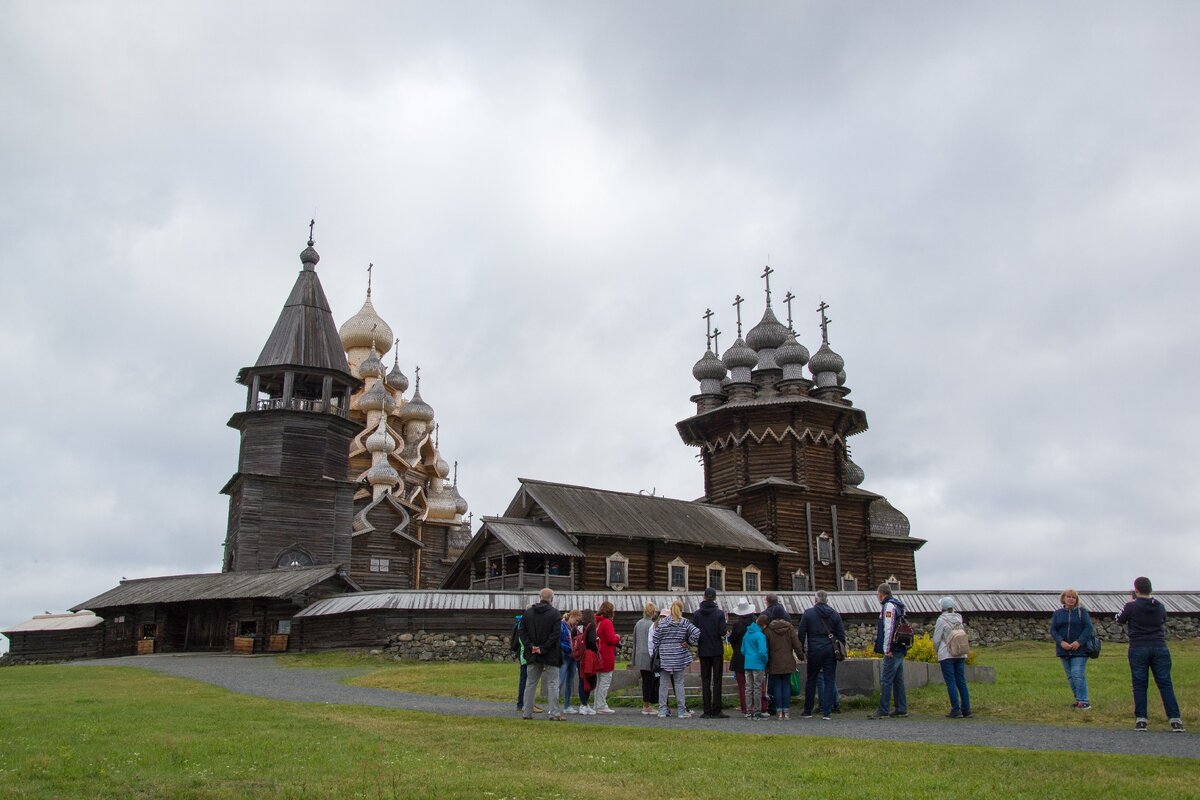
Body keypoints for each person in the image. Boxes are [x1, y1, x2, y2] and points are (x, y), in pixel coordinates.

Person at [1116, 577, 1185, 732]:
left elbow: (1118, 619)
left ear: (1136, 590)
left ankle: (1141, 719)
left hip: (1138, 647)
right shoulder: (1159, 606)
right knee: (1165, 683)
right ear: (1150, 589)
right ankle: (1175, 719)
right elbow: (1163, 620)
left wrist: (1129, 603)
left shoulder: (1131, 606)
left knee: (1140, 683)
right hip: (1159, 646)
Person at [797, 590, 846, 720]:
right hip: (830, 650)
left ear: (815, 600)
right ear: (827, 600)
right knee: (829, 679)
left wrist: (801, 651)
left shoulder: (808, 613)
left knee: (811, 679)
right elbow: (841, 635)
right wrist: (841, 650)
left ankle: (808, 710)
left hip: (814, 649)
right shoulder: (835, 614)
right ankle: (827, 712)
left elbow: (801, 633)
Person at [518, 588, 564, 720]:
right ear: (552, 599)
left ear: (540, 597)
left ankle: (527, 712)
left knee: (530, 683)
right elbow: (555, 635)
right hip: (550, 653)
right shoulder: (555, 614)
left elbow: (522, 632)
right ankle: (554, 713)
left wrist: (531, 646)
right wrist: (543, 648)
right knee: (553, 683)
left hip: (532, 653)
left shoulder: (528, 613)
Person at [649, 601, 700, 718]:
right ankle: (681, 711)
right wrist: (688, 642)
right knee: (679, 683)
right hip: (679, 655)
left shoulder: (663, 623)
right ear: (681, 609)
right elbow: (697, 632)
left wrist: (662, 646)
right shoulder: (685, 622)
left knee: (663, 683)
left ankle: (662, 710)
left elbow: (655, 639)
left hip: (665, 655)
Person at [869, 583, 909, 719]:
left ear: (881, 594)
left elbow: (889, 628)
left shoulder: (889, 606)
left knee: (886, 679)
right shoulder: (899, 605)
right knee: (898, 679)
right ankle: (901, 708)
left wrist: (887, 648)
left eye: (878, 594)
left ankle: (883, 709)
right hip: (900, 646)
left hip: (893, 648)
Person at [1050, 588, 1093, 711]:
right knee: (1070, 676)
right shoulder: (1057, 613)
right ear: (1063, 598)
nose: (1071, 599)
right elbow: (1053, 630)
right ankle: (1078, 700)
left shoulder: (1082, 612)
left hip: (1080, 649)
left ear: (1076, 599)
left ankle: (1084, 701)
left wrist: (1079, 642)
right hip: (1063, 649)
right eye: (1068, 596)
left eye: (1073, 597)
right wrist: (1061, 642)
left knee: (1077, 674)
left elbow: (1088, 628)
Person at [934, 596, 972, 719]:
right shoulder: (959, 618)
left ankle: (956, 710)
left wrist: (937, 651)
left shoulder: (941, 620)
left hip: (946, 654)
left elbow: (936, 639)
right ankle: (966, 709)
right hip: (960, 652)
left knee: (951, 682)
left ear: (942, 608)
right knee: (961, 680)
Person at [693, 587, 729, 718]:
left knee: (705, 679)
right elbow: (722, 632)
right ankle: (717, 709)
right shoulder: (719, 613)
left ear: (704, 597)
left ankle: (706, 709)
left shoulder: (697, 614)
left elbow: (694, 632)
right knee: (717, 680)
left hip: (703, 649)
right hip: (716, 649)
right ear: (714, 598)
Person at [728, 600, 766, 716]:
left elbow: (733, 641)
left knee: (743, 685)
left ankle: (746, 708)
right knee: (759, 684)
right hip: (757, 658)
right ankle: (762, 707)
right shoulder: (756, 623)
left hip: (740, 657)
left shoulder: (737, 625)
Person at [765, 612, 805, 720]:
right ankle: (786, 712)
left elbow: (766, 648)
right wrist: (801, 656)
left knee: (777, 686)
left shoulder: (768, 630)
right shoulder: (790, 628)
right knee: (786, 685)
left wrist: (766, 662)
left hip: (774, 662)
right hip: (788, 661)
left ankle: (779, 712)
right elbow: (796, 644)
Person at [630, 601, 660, 715]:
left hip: (639, 656)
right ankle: (647, 705)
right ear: (653, 612)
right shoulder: (652, 625)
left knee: (645, 680)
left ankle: (646, 704)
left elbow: (635, 641)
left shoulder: (638, 623)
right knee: (649, 681)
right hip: (649, 656)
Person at [593, 601, 621, 713]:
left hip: (597, 654)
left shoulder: (596, 621)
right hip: (606, 654)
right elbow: (611, 639)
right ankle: (601, 705)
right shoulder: (607, 622)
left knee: (598, 682)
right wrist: (617, 637)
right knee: (605, 681)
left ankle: (596, 704)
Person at [741, 613, 770, 720]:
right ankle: (757, 710)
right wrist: (765, 660)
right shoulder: (760, 636)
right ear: (764, 625)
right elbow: (762, 651)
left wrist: (749, 656)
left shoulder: (747, 634)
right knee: (757, 687)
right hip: (758, 664)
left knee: (748, 688)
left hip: (748, 663)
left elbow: (742, 650)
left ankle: (749, 711)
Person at [576, 609, 599, 715]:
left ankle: (584, 704)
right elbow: (591, 640)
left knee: (582, 679)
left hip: (579, 655)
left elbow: (573, 636)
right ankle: (584, 704)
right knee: (589, 678)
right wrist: (596, 650)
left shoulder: (578, 625)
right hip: (589, 655)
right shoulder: (591, 625)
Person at [560, 609, 582, 713]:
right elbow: (558, 641)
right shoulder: (562, 626)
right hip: (564, 655)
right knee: (560, 681)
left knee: (569, 682)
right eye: (576, 620)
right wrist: (568, 648)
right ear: (571, 616)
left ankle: (567, 706)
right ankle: (553, 706)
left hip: (573, 657)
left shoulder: (574, 628)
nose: (577, 623)